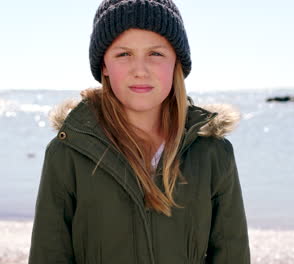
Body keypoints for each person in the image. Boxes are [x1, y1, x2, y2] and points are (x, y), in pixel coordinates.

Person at [28, 0, 250, 263]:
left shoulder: (213, 152)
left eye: (155, 54)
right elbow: (48, 254)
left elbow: (232, 254)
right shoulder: (68, 153)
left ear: (176, 62)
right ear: (104, 66)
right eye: (124, 54)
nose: (140, 70)